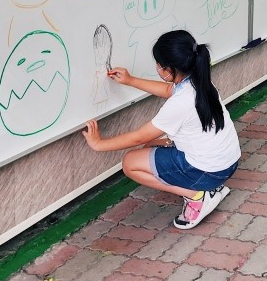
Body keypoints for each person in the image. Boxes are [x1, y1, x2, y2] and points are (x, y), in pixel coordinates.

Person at [82, 30, 240, 229]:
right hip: (226, 163)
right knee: (152, 145)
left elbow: (137, 137)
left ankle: (197, 196)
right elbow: (167, 90)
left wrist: (99, 144)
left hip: (211, 171)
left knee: (130, 163)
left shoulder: (180, 103)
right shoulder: (199, 82)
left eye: (158, 64)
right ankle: (209, 188)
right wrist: (130, 80)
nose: (156, 67)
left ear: (168, 70)